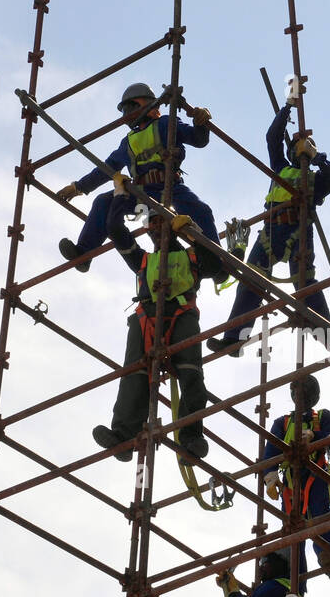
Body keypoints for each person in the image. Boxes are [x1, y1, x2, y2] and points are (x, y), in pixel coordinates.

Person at [81, 177, 224, 461]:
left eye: (162, 225)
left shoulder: (193, 256)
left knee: (191, 373)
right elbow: (114, 229)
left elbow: (218, 265)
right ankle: (123, 435)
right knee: (134, 372)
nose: (156, 231)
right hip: (146, 317)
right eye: (152, 227)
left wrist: (195, 232)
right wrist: (121, 195)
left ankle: (190, 438)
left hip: (182, 314)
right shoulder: (142, 259)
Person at [207, 102, 330, 354]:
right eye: (296, 148)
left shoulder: (314, 179)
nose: (297, 152)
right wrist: (286, 109)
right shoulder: (280, 168)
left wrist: (316, 156)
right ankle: (235, 338)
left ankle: (328, 335)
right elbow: (272, 138)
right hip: (270, 232)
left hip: (297, 232)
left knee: (305, 286)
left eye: (301, 149)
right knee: (250, 282)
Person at [56, 82, 220, 272]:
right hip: (142, 193)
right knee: (103, 202)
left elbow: (198, 140)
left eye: (129, 108)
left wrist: (200, 123)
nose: (126, 115)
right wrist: (79, 187)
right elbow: (106, 169)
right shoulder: (128, 142)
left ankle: (216, 262)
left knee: (201, 211)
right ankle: (83, 255)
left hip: (171, 187)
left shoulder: (166, 124)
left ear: (145, 105)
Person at [262, 375, 330, 583]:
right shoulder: (282, 423)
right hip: (291, 481)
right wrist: (270, 477)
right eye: (298, 393)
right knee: (293, 527)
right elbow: (270, 452)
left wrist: (314, 438)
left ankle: (328, 557)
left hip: (316, 475)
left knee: (320, 515)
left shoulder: (323, 417)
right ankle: (295, 579)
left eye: (305, 393)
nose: (301, 398)